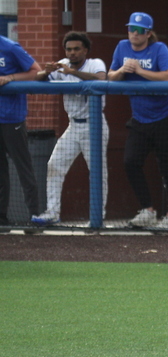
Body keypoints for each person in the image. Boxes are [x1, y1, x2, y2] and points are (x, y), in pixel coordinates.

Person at [108, 12, 168, 228]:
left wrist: (140, 70)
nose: (134, 34)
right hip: (140, 119)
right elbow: (111, 76)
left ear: (148, 34)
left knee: (167, 166)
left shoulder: (159, 49)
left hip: (165, 117)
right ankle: (148, 210)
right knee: (130, 162)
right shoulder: (122, 47)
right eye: (131, 29)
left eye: (139, 30)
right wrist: (123, 70)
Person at [31, 32, 108, 227]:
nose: (72, 53)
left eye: (76, 49)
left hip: (95, 124)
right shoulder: (63, 64)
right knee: (54, 165)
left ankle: (98, 216)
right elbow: (37, 79)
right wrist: (47, 71)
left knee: (97, 172)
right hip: (73, 125)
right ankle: (52, 212)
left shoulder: (95, 63)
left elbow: (100, 78)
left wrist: (70, 72)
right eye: (69, 49)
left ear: (85, 50)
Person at [0, 35, 41, 226]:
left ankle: (34, 216)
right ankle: (2, 218)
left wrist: (10, 78)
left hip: (12, 118)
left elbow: (36, 71)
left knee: (24, 168)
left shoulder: (10, 47)